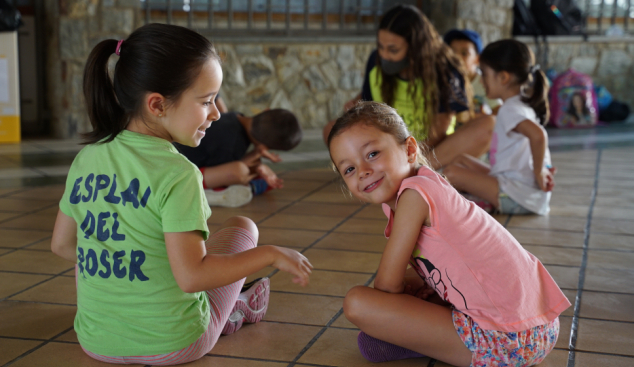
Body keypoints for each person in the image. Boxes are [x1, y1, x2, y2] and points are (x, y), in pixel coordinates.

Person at [50, 23, 312, 365]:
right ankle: (231, 313)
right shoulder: (178, 173)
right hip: (175, 345)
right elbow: (192, 277)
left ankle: (218, 311)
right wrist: (270, 255)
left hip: (97, 343)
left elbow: (62, 245)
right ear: (157, 105)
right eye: (206, 101)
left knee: (103, 239)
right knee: (243, 227)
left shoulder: (87, 158)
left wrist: (121, 272)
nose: (217, 113)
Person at [327, 101, 570, 367]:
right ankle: (425, 338)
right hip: (539, 324)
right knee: (402, 294)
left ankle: (424, 341)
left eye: (372, 154)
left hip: (509, 339)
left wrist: (399, 305)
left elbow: (386, 286)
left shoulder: (413, 196)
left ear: (409, 149)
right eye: (349, 169)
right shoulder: (425, 183)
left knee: (357, 303)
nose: (363, 171)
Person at [322, 4, 495, 170]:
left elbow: (439, 131)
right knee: (332, 130)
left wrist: (410, 156)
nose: (384, 55)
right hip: (390, 148)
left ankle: (418, 172)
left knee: (488, 126)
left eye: (393, 50)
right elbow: (369, 117)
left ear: (415, 49)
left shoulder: (445, 69)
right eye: (381, 47)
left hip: (434, 151)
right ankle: (403, 173)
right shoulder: (376, 63)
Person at [443, 39, 555, 215]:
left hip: (516, 197)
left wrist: (539, 171)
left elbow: (538, 135)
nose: (481, 80)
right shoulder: (520, 105)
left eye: (484, 74)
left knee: (451, 173)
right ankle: (480, 198)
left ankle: (481, 202)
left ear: (503, 77)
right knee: (461, 160)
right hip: (517, 190)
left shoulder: (510, 109)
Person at [175, 109, 302, 207]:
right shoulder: (232, 145)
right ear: (264, 147)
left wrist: (257, 162)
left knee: (256, 172)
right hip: (176, 177)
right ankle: (205, 194)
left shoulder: (234, 116)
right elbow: (228, 170)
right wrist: (256, 163)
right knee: (240, 172)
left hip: (174, 163)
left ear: (265, 110)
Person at [443, 29, 502, 120]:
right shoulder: (443, 82)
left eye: (464, 53)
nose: (457, 57)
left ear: (478, 59)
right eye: (452, 52)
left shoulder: (485, 83)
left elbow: (499, 113)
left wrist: (470, 117)